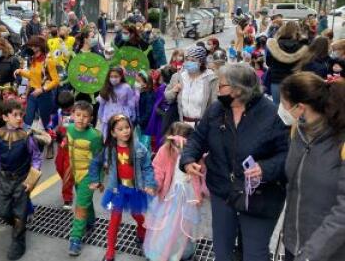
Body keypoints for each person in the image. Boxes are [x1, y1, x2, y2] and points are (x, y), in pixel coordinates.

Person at [180, 63, 289, 261]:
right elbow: (197, 138)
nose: (217, 90)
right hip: (222, 189)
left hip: (258, 195)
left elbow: (287, 155)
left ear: (238, 90)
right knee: (222, 251)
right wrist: (188, 159)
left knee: (254, 254)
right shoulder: (216, 110)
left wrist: (264, 168)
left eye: (221, 86)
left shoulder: (272, 115)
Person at [279, 72, 345, 261]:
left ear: (300, 107)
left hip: (328, 252)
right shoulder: (298, 132)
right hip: (294, 245)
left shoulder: (340, 142)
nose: (281, 109)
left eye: (283, 104)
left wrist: (310, 255)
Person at [89, 114, 156, 261]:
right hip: (116, 191)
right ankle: (110, 250)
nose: (125, 131)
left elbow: (147, 167)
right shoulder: (109, 149)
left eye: (127, 127)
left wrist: (150, 184)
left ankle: (141, 229)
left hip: (135, 190)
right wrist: (95, 180)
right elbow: (95, 162)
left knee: (137, 214)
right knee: (115, 219)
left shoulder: (139, 147)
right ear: (113, 133)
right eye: (120, 129)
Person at [145, 122, 206, 261]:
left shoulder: (196, 153)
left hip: (189, 197)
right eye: (176, 145)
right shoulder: (165, 150)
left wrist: (202, 191)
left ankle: (181, 253)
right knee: (166, 226)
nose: (179, 149)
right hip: (170, 196)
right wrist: (154, 185)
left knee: (184, 227)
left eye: (183, 145)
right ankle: (161, 252)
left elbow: (202, 174)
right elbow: (158, 170)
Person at [0, 99, 43, 260]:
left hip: (22, 180)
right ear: (5, 117)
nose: (19, 118)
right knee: (3, 211)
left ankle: (18, 241)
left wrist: (31, 180)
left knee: (20, 213)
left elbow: (36, 157)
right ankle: (18, 225)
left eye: (20, 114)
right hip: (4, 179)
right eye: (15, 115)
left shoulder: (26, 136)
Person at [66, 101, 104, 256]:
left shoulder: (95, 136)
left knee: (80, 206)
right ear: (73, 115)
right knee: (85, 203)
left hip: (89, 176)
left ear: (91, 118)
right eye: (78, 115)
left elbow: (98, 159)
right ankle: (90, 221)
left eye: (85, 116)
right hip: (76, 174)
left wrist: (97, 180)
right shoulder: (69, 129)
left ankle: (75, 239)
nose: (81, 119)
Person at [164, 46, 218, 126]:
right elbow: (167, 98)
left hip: (201, 127)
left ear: (201, 62)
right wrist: (173, 91)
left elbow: (215, 105)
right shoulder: (178, 77)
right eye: (187, 59)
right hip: (182, 126)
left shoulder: (211, 79)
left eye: (193, 60)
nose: (188, 62)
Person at [14, 36, 59, 129]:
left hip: (45, 95)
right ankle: (25, 140)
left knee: (46, 123)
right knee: (27, 119)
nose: (32, 48)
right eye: (31, 46)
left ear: (41, 47)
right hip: (32, 93)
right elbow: (32, 76)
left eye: (35, 46)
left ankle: (49, 139)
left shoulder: (48, 61)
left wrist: (42, 90)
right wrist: (20, 71)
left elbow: (56, 81)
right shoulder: (33, 59)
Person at [265, 21, 308, 104]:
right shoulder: (302, 47)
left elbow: (268, 63)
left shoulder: (274, 45)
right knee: (292, 110)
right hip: (294, 81)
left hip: (276, 80)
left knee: (277, 108)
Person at [52, 91, 76, 209]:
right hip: (61, 145)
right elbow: (54, 122)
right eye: (63, 108)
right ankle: (70, 182)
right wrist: (51, 129)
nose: (66, 110)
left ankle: (68, 198)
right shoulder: (59, 112)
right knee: (59, 167)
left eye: (68, 108)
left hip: (72, 148)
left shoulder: (78, 113)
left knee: (67, 171)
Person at [97, 67, 136, 138]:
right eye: (111, 76)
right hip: (108, 116)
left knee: (121, 136)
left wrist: (133, 114)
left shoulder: (126, 87)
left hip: (122, 114)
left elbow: (131, 103)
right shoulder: (106, 88)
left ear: (121, 76)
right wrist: (100, 116)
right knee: (108, 137)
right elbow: (102, 104)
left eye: (116, 76)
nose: (113, 78)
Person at [134, 70, 155, 144]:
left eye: (138, 81)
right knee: (141, 143)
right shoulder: (141, 93)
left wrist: (140, 121)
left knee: (144, 145)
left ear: (146, 84)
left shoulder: (149, 95)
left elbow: (148, 111)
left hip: (146, 125)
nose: (136, 83)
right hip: (140, 123)